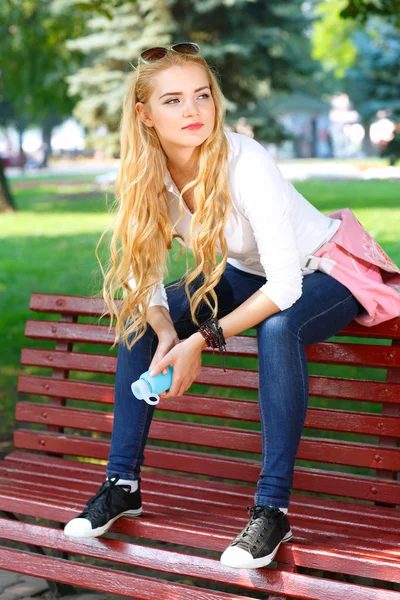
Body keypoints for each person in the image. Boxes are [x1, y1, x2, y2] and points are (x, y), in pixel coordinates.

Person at [63, 42, 366, 569]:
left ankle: (272, 511)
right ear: (145, 115)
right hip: (250, 274)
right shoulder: (148, 174)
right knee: (138, 319)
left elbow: (287, 288)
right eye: (174, 100)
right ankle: (122, 482)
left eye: (202, 95)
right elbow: (144, 277)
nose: (193, 111)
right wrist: (164, 332)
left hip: (323, 269)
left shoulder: (245, 161)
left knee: (279, 328)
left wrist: (201, 340)